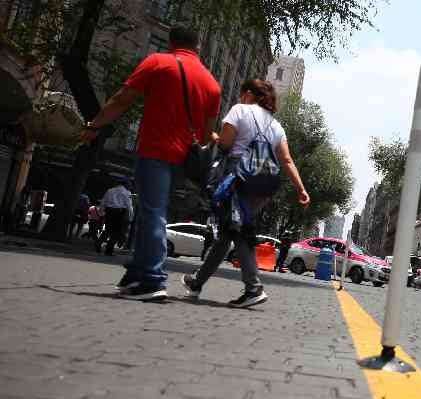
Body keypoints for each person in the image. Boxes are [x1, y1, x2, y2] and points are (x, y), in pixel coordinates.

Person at [79, 26, 221, 301]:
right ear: (198, 46)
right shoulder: (212, 84)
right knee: (150, 212)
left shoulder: (158, 62)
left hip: (155, 149)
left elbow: (122, 99)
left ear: (171, 42)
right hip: (183, 159)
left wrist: (95, 125)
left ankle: (153, 279)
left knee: (153, 212)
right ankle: (137, 273)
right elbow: (205, 135)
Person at [182, 78, 310, 307]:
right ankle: (197, 282)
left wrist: (212, 136)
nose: (240, 98)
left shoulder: (239, 110)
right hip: (264, 186)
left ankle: (253, 288)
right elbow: (287, 159)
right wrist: (301, 189)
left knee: (238, 231)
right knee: (228, 233)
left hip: (238, 180)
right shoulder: (276, 125)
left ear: (249, 94)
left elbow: (225, 145)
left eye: (242, 93)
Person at [96, 179, 133, 256]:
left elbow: (103, 202)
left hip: (109, 211)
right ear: (126, 184)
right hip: (120, 213)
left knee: (108, 230)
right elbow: (129, 206)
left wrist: (101, 212)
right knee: (116, 232)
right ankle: (109, 250)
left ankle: (98, 243)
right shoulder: (127, 193)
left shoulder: (110, 190)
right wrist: (130, 216)